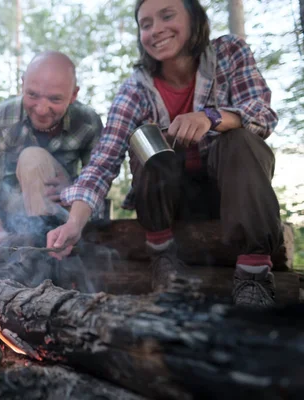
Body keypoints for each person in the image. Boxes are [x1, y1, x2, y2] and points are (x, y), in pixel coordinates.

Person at [47, 0, 283, 308]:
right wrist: (74, 224)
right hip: (171, 205)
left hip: (230, 197)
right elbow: (103, 162)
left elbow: (262, 115)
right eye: (146, 24)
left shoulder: (228, 53)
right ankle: (163, 256)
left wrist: (211, 117)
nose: (156, 29)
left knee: (239, 139)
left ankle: (253, 273)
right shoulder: (136, 89)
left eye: (167, 16)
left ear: (194, 18)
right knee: (147, 142)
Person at [0, 51, 104, 255]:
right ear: (22, 84)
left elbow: (97, 182)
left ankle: (45, 255)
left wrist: (72, 189)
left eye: (55, 99)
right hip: (10, 205)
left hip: (59, 209)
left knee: (32, 157)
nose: (42, 109)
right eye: (32, 94)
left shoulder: (88, 123)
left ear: (74, 95)